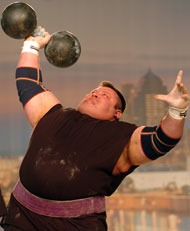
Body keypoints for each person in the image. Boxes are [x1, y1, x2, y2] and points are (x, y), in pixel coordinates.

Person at [0, 27, 189, 231]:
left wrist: (177, 110)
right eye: (93, 92)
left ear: (117, 114)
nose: (95, 94)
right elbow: (28, 83)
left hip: (75, 226)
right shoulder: (54, 113)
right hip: (22, 219)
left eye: (105, 95)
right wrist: (32, 45)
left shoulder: (122, 136)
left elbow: (161, 140)